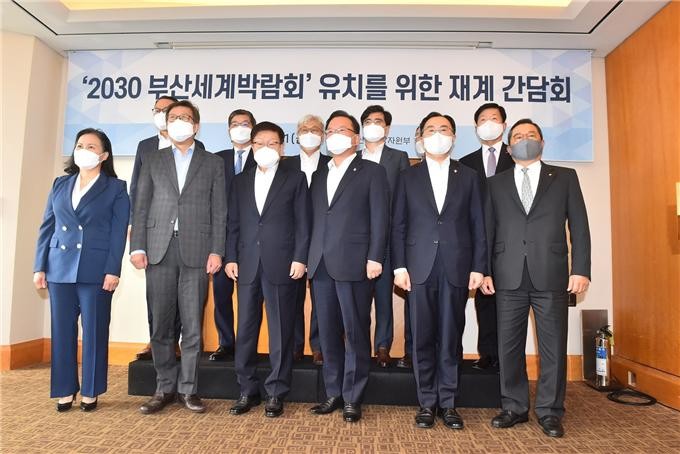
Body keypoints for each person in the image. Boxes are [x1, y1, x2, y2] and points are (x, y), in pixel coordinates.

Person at [481, 118, 591, 438]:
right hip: (507, 274)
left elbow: (579, 226)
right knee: (509, 346)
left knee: (553, 346)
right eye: (518, 136)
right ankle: (514, 406)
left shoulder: (565, 177)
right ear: (509, 146)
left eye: (531, 135)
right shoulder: (495, 184)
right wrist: (485, 270)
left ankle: (550, 410)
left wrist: (581, 269)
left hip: (551, 273)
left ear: (542, 143)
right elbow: (487, 232)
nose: (524, 139)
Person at [131, 100, 227, 415]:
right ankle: (164, 388)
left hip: (197, 250)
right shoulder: (152, 159)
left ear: (196, 126)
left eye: (185, 117)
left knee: (192, 325)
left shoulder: (213, 163)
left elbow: (220, 211)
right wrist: (138, 246)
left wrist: (217, 250)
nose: (179, 122)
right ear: (166, 123)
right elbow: (141, 206)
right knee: (160, 323)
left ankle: (188, 389)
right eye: (173, 117)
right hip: (158, 249)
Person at [392, 112, 487, 430]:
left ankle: (448, 403)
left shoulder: (469, 176)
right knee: (421, 337)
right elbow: (398, 225)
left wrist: (479, 266)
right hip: (418, 267)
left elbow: (479, 225)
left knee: (450, 336)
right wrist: (399, 266)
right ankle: (426, 402)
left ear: (454, 137)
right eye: (430, 130)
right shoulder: (407, 176)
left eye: (443, 129)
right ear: (420, 138)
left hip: (456, 266)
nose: (437, 135)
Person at [33, 128, 130, 412]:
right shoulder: (60, 184)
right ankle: (65, 390)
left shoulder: (116, 188)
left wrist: (113, 270)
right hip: (58, 267)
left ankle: (90, 390)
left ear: (104, 155)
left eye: (91, 146)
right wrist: (40, 266)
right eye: (79, 145)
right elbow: (47, 226)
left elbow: (118, 233)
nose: (83, 150)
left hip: (96, 269)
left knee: (94, 331)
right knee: (62, 331)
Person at [307, 110, 389, 423]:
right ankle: (333, 392)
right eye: (330, 131)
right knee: (327, 333)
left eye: (342, 130)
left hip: (355, 263)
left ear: (356, 138)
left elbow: (380, 217)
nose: (335, 135)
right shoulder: (319, 174)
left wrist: (375, 257)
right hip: (321, 264)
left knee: (355, 331)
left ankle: (353, 396)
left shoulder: (371, 171)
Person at [226, 121, 311, 418]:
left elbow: (304, 223)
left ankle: (276, 391)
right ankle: (247, 389)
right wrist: (231, 257)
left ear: (282, 147)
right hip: (247, 264)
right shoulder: (240, 181)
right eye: (259, 143)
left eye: (272, 143)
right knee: (245, 330)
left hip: (282, 264)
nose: (265, 148)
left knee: (280, 331)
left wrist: (300, 258)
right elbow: (233, 223)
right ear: (251, 146)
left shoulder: (295, 178)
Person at [130, 95, 204, 361]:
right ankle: (156, 343)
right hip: (156, 235)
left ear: (194, 125)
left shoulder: (200, 151)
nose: (164, 115)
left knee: (187, 303)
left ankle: (177, 345)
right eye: (160, 111)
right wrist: (136, 233)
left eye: (174, 113)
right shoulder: (147, 149)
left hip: (189, 238)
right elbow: (138, 191)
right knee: (158, 300)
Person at [459, 102, 514, 371]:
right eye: (483, 119)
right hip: (477, 239)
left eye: (494, 118)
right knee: (484, 299)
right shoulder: (465, 163)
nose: (488, 123)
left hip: (510, 239)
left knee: (510, 301)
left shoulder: (516, 158)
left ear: (504, 125)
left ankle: (508, 358)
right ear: (476, 126)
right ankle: (488, 354)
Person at [358, 105, 410, 368]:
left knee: (383, 296)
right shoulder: (353, 157)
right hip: (357, 240)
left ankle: (382, 346)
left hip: (387, 238)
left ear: (387, 128)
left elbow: (403, 197)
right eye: (368, 121)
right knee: (359, 298)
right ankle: (359, 346)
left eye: (378, 121)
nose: (373, 125)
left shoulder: (398, 157)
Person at [282, 114, 330, 366]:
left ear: (323, 135)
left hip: (324, 239)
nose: (309, 133)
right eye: (304, 129)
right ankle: (295, 345)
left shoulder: (332, 163)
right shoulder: (285, 165)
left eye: (315, 129)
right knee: (292, 295)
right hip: (292, 240)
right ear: (297, 134)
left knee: (322, 297)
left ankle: (319, 346)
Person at [210, 109, 257, 362]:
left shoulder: (263, 157)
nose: (240, 127)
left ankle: (247, 347)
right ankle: (226, 343)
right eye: (235, 124)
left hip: (251, 238)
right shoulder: (217, 159)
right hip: (221, 237)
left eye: (245, 123)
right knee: (221, 294)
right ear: (228, 130)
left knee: (250, 298)